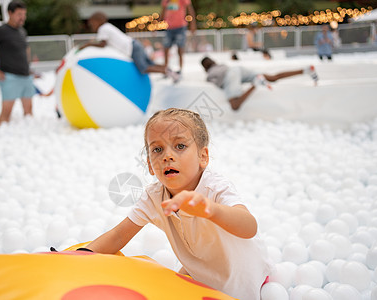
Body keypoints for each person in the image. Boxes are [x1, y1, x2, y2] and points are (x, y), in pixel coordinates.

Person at [70, 108, 272, 299]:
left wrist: (211, 210)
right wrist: (79, 257)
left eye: (180, 146)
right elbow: (119, 235)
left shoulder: (214, 188)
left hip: (242, 281)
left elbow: (249, 227)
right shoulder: (154, 196)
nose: (167, 156)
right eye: (157, 149)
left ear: (203, 157)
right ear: (150, 165)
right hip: (205, 272)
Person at [0, 0, 36, 126]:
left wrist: (29, 66)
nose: (23, 18)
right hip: (10, 77)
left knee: (29, 112)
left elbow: (26, 49)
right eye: (19, 14)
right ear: (10, 13)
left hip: (26, 76)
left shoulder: (22, 31)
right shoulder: (1, 31)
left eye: (24, 14)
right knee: (6, 115)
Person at [80, 12, 180, 83]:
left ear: (98, 21)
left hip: (132, 48)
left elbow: (102, 44)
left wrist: (87, 45)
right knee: (150, 64)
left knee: (143, 68)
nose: (91, 25)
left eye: (92, 23)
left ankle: (167, 72)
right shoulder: (107, 26)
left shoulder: (103, 28)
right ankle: (169, 71)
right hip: (134, 44)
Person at [201, 56, 318, 111]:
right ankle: (305, 70)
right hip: (238, 69)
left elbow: (216, 84)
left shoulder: (210, 73)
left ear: (205, 68)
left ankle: (256, 83)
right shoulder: (221, 65)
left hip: (230, 75)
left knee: (235, 105)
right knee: (273, 77)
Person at [159, 0, 197, 76]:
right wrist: (157, 24)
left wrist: (193, 24)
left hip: (180, 27)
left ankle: (180, 69)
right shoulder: (166, 1)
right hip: (169, 27)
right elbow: (163, 11)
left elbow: (190, 10)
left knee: (180, 48)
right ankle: (166, 69)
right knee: (166, 48)